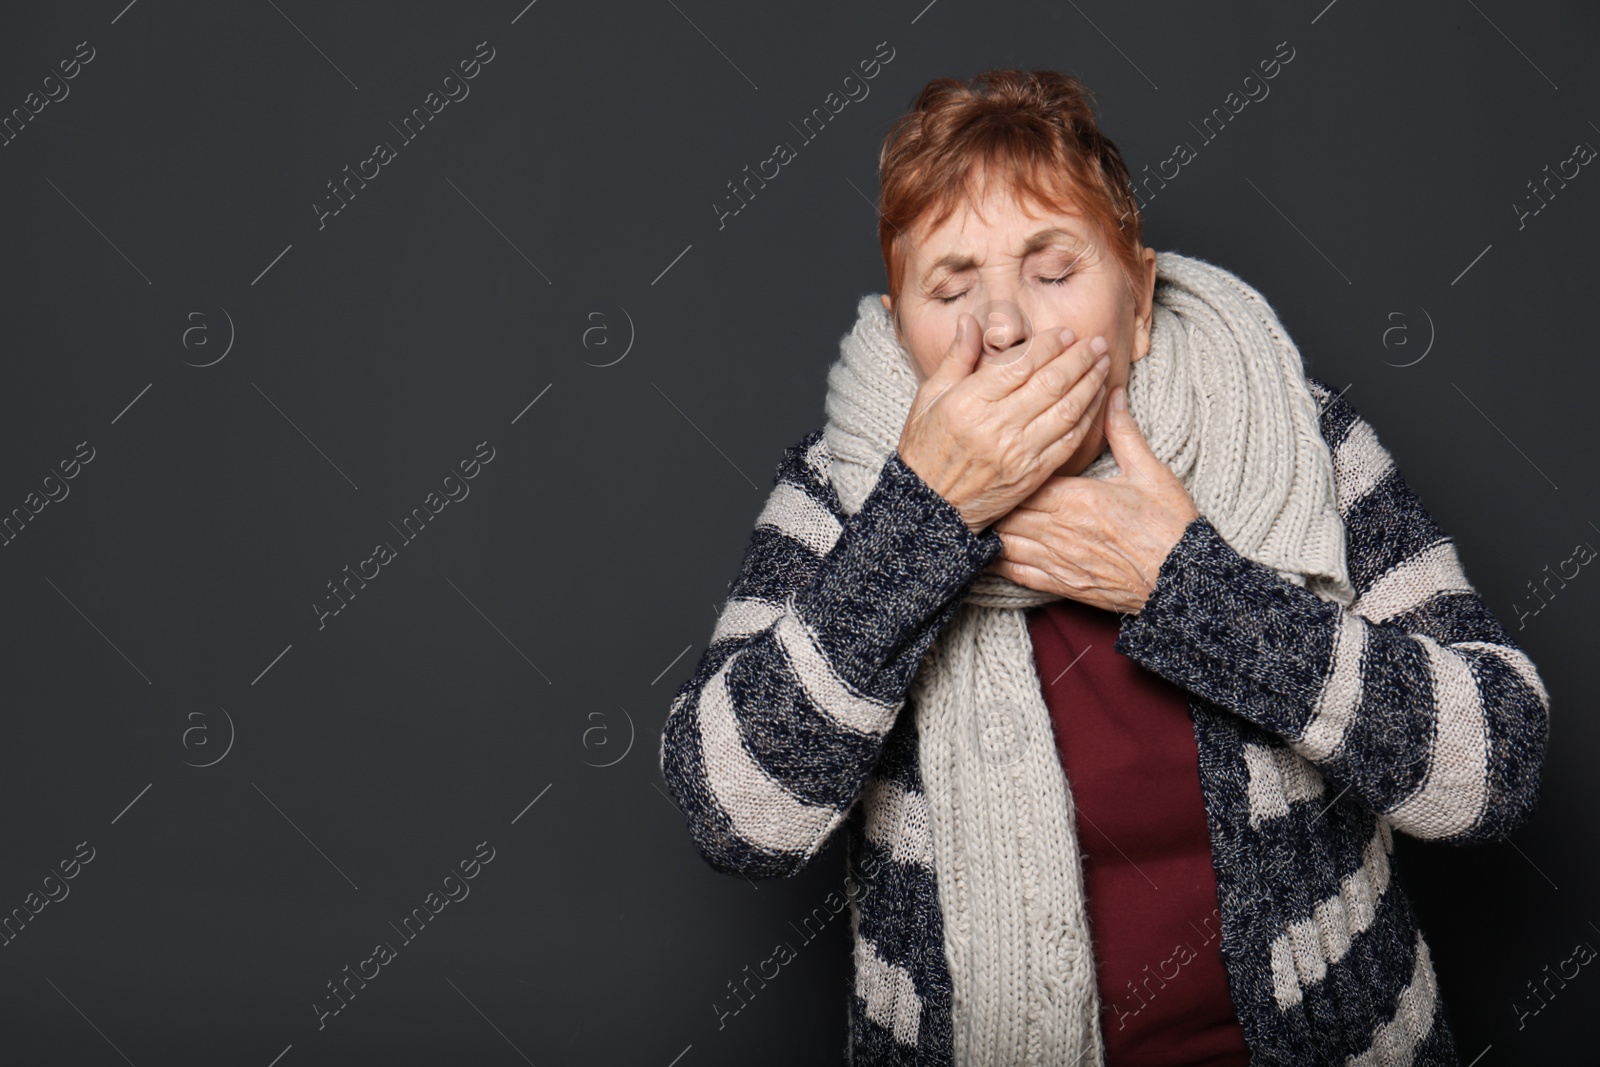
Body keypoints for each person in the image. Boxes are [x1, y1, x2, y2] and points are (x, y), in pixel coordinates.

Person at [659, 68, 1550, 1067]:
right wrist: (921, 520)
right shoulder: (843, 497)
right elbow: (734, 817)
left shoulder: (1289, 435)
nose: (1002, 326)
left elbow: (1492, 768)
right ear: (902, 329)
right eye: (950, 286)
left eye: (1052, 271)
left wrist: (1192, 586)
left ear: (1137, 302)